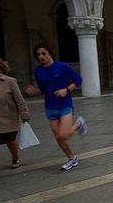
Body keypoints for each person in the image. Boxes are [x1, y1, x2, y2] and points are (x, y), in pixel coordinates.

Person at [25, 43, 87, 171]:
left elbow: (78, 80)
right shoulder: (38, 71)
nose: (41, 56)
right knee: (58, 137)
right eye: (38, 55)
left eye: (43, 53)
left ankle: (78, 124)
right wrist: (34, 91)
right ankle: (71, 158)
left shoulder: (62, 66)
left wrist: (66, 90)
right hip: (50, 106)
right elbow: (42, 89)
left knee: (62, 135)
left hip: (64, 104)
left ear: (50, 54)